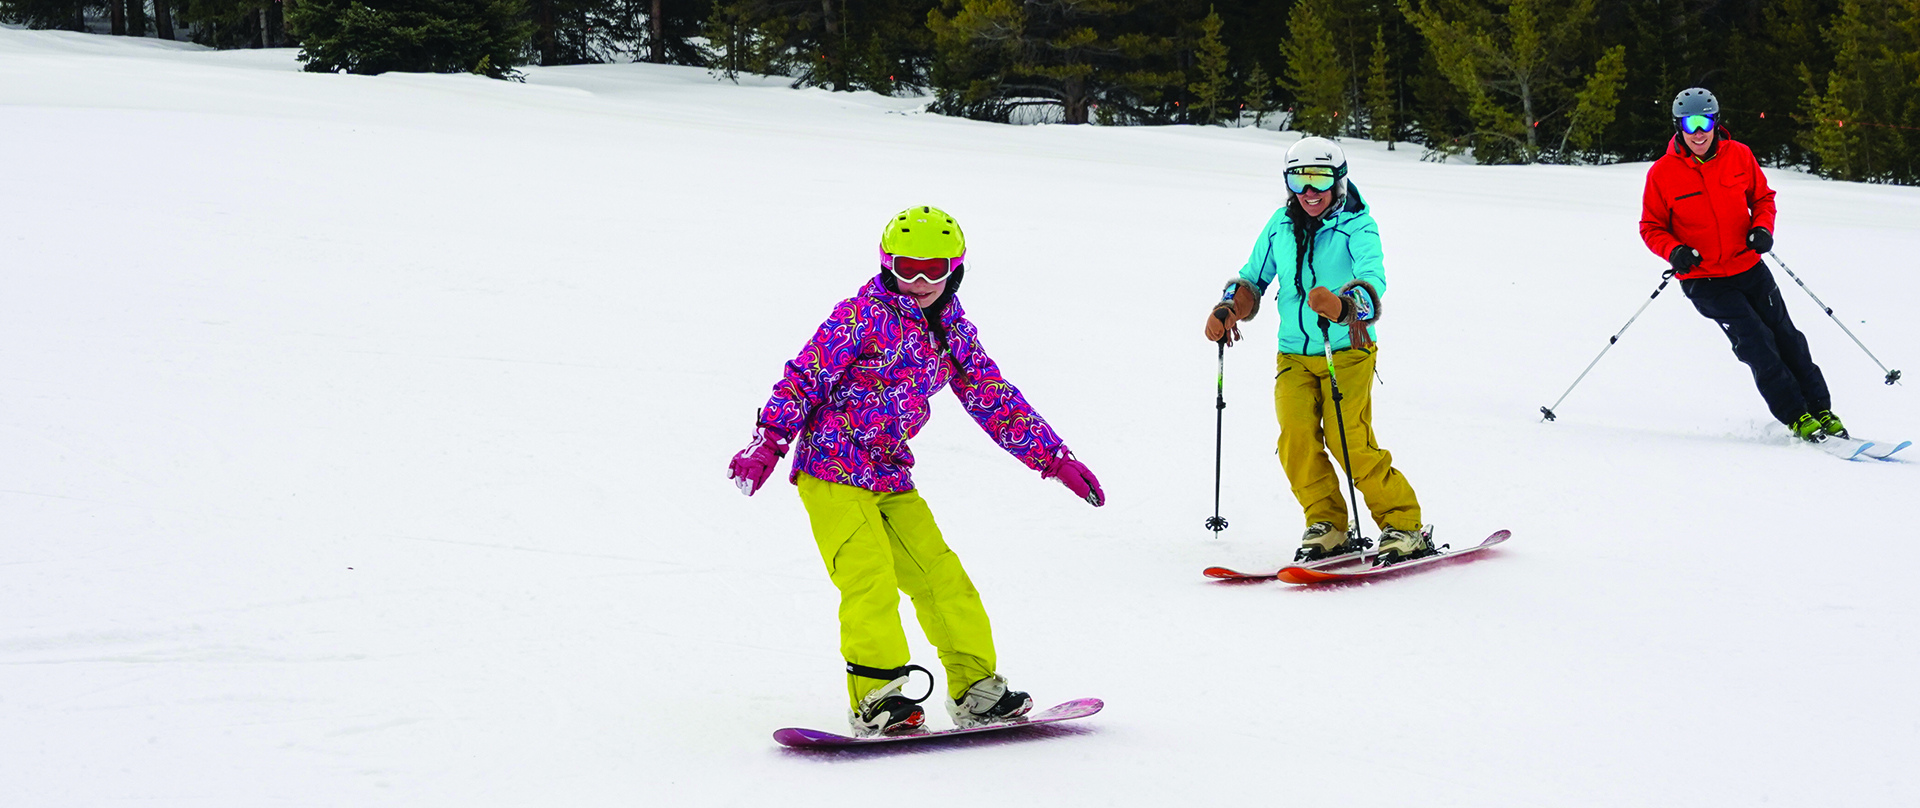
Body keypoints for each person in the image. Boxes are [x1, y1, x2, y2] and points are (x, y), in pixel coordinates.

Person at [728, 206, 1105, 737]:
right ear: (888, 265)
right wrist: (768, 440)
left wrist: (1053, 458)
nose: (922, 282)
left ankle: (976, 690)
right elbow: (804, 378)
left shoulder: (953, 331)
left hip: (889, 474)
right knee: (870, 579)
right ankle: (877, 698)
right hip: (831, 468)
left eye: (935, 269)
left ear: (956, 269)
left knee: (941, 577)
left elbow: (992, 397)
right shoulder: (858, 316)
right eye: (908, 268)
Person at [1203, 137, 1428, 566]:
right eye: (1298, 179)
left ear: (1338, 181)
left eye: (1319, 179)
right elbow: (1253, 279)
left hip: (1348, 349)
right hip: (1294, 353)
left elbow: (1372, 283)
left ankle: (1403, 524)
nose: (1309, 191)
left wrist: (1344, 305)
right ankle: (1327, 523)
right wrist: (1229, 308)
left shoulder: (1358, 226)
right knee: (1296, 439)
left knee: (1350, 443)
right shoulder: (1280, 225)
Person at [1639, 87, 1846, 441]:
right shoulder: (1662, 173)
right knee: (1756, 341)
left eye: (1705, 122)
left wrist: (1762, 228)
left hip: (1749, 267)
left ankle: (1821, 409)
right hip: (1705, 280)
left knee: (1787, 337)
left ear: (1717, 122)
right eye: (1690, 125)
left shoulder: (1739, 156)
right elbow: (1651, 226)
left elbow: (1763, 198)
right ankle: (1797, 415)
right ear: (1678, 128)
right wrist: (1674, 252)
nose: (1699, 132)